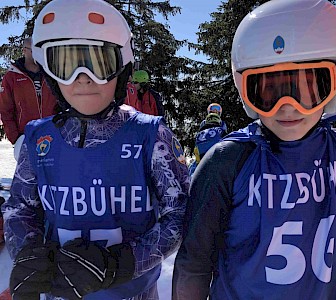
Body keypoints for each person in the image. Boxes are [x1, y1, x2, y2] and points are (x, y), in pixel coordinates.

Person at [172, 0, 336, 299]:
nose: (288, 108)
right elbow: (195, 259)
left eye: (307, 88)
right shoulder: (228, 159)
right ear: (245, 91)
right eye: (268, 92)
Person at [1, 0, 189, 299]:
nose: (83, 77)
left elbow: (180, 212)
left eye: (99, 62)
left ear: (121, 67)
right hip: (61, 291)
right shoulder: (39, 138)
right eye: (66, 64)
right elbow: (20, 207)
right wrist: (28, 252)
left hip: (132, 293)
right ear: (49, 72)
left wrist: (124, 262)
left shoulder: (149, 134)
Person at [0, 37, 57, 145]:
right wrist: (16, 138)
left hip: (54, 135)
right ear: (24, 51)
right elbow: (5, 110)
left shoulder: (51, 74)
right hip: (26, 137)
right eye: (33, 50)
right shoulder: (11, 77)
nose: (38, 54)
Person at [188, 112, 228, 176]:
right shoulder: (220, 130)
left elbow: (196, 150)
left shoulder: (199, 134)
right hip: (216, 158)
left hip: (202, 160)